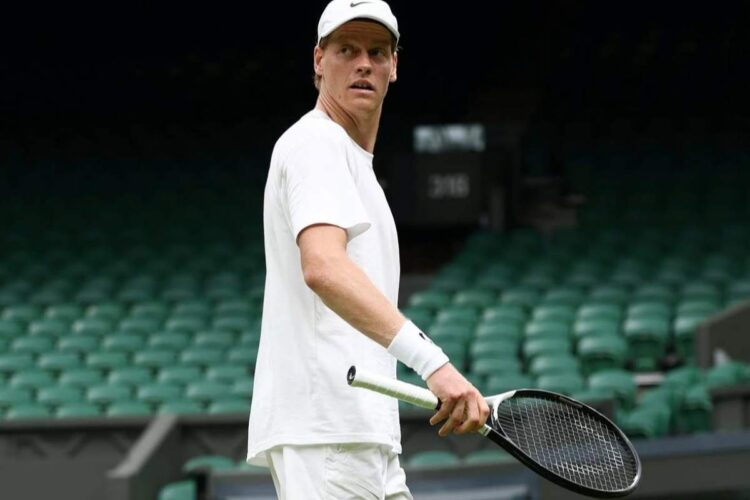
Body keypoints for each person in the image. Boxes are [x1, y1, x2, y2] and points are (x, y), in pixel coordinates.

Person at [247, 0, 489, 498]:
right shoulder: (316, 142)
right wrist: (433, 364)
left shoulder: (352, 162)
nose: (363, 63)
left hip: (358, 434)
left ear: (393, 66)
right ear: (319, 60)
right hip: (329, 432)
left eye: (377, 52)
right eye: (347, 50)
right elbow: (323, 266)